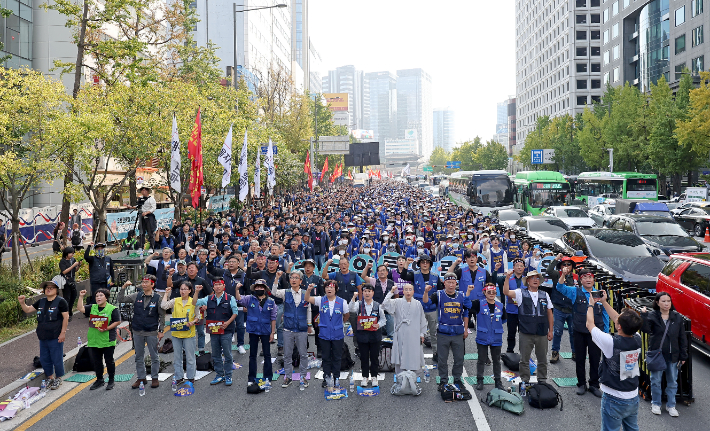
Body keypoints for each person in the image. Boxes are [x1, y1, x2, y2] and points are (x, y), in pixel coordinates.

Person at [588, 291, 643, 431]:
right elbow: (618, 320)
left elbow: (590, 325)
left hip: (614, 397)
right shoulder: (637, 337)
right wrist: (604, 302)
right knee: (632, 428)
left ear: (619, 326)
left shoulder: (610, 343)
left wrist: (590, 305)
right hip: (632, 395)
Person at [555, 267, 608, 397]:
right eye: (585, 277)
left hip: (596, 332)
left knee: (595, 359)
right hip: (579, 331)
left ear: (594, 279)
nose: (588, 280)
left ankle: (594, 384)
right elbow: (560, 288)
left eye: (590, 277)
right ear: (580, 280)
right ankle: (581, 384)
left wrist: (606, 332)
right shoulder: (575, 291)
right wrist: (563, 274)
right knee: (580, 359)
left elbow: (605, 313)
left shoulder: (600, 294)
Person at [640, 292, 688, 417]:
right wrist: (644, 316)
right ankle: (656, 403)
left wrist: (683, 355)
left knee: (672, 381)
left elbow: (682, 337)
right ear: (657, 302)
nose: (666, 304)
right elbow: (645, 329)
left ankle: (671, 405)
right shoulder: (653, 316)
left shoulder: (676, 317)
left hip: (673, 355)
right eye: (663, 301)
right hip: (658, 354)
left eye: (668, 301)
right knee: (655, 380)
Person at [423, 273, 472, 392]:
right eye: (448, 282)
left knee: (459, 359)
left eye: (453, 282)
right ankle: (443, 381)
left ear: (456, 283)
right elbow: (426, 303)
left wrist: (466, 329)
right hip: (443, 333)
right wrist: (425, 292)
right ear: (444, 283)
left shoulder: (461, 295)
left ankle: (457, 379)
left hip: (458, 333)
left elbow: (466, 312)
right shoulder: (438, 294)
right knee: (442, 359)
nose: (451, 285)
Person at [503, 270, 553, 384]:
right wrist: (507, 278)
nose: (535, 280)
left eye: (537, 278)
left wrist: (551, 330)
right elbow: (506, 292)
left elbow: (550, 313)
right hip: (526, 332)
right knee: (524, 360)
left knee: (542, 359)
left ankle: (542, 381)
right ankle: (525, 381)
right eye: (532, 278)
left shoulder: (545, 294)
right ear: (528, 281)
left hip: (542, 332)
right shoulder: (520, 293)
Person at [17, 281, 69, 390]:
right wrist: (22, 302)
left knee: (57, 358)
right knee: (45, 359)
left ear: (56, 290)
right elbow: (28, 309)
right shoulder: (41, 301)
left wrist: (63, 333)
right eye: (47, 288)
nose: (48, 289)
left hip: (56, 336)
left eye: (51, 288)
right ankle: (50, 377)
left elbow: (66, 317)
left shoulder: (61, 302)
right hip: (43, 336)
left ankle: (58, 378)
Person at [117, 275, 165, 389]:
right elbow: (121, 299)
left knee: (154, 356)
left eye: (146, 282)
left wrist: (161, 330)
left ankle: (154, 378)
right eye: (143, 282)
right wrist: (123, 287)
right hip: (137, 330)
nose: (144, 284)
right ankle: (141, 378)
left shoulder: (158, 298)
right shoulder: (136, 295)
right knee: (139, 356)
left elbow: (162, 315)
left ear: (152, 284)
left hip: (151, 330)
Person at [398, 253, 443, 361]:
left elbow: (440, 292)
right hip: (417, 307)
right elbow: (403, 276)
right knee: (415, 332)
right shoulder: (414, 274)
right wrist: (406, 264)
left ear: (430, 264)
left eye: (427, 262)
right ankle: (414, 354)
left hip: (432, 308)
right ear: (419, 264)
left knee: (434, 333)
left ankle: (436, 353)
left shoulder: (435, 276)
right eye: (422, 262)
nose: (425, 264)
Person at [305, 280, 350, 388]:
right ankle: (326, 377)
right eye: (327, 287)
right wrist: (309, 290)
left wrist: (340, 323)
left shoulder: (342, 302)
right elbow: (307, 298)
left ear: (336, 289)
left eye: (332, 287)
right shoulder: (321, 300)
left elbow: (346, 315)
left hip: (337, 334)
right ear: (324, 289)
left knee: (337, 357)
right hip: (324, 334)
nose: (329, 289)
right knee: (325, 357)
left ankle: (336, 377)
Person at [194, 278, 239, 386]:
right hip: (214, 331)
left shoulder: (230, 298)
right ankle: (219, 375)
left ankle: (228, 375)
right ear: (213, 287)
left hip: (226, 330)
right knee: (216, 354)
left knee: (227, 354)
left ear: (224, 287)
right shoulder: (209, 298)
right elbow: (194, 302)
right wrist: (196, 292)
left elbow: (235, 312)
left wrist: (227, 323)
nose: (218, 286)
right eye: (216, 285)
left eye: (220, 284)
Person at [270, 271, 309, 388]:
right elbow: (273, 292)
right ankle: (288, 377)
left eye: (296, 278)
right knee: (287, 354)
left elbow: (309, 309)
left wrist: (310, 324)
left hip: (301, 328)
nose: (293, 280)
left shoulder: (305, 293)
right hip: (288, 328)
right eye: (292, 277)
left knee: (303, 354)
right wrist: (276, 278)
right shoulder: (285, 292)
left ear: (301, 281)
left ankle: (303, 377)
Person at [235, 279, 276, 387]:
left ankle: (268, 377)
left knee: (267, 354)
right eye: (257, 287)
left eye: (261, 287)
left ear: (265, 289)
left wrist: (272, 332)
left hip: (266, 330)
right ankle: (251, 378)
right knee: (252, 355)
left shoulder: (271, 301)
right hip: (253, 330)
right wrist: (237, 289)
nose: (259, 289)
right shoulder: (249, 299)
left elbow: (273, 318)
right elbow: (239, 299)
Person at [77, 287, 120, 390]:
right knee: (96, 361)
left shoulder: (112, 309)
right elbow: (80, 308)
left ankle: (111, 380)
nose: (98, 298)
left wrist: (106, 328)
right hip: (94, 339)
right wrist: (81, 296)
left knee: (109, 361)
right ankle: (99, 380)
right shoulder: (92, 307)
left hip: (107, 339)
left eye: (101, 295)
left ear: (106, 297)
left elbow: (117, 321)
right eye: (97, 296)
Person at [382, 283, 427, 376]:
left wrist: (422, 333)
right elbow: (385, 304)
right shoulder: (397, 301)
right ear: (403, 291)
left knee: (413, 353)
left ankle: (413, 376)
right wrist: (391, 292)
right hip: (401, 332)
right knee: (401, 353)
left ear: (413, 292)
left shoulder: (418, 304)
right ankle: (401, 376)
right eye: (406, 289)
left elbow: (422, 319)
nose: (408, 292)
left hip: (414, 332)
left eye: (410, 289)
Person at [161, 282, 200, 384]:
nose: (182, 291)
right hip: (176, 334)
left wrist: (193, 322)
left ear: (190, 291)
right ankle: (179, 377)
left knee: (190, 357)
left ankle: (191, 377)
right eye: (181, 289)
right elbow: (164, 306)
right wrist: (166, 294)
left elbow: (198, 316)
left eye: (185, 289)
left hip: (189, 334)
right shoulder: (175, 300)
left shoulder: (193, 302)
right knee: (177, 358)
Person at [349, 284, 387, 387]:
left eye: (369, 291)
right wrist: (353, 297)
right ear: (362, 293)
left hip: (375, 335)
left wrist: (378, 325)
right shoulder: (358, 304)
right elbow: (350, 309)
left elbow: (383, 319)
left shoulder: (377, 305)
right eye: (365, 291)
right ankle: (365, 377)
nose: (367, 293)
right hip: (362, 335)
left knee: (374, 357)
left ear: (373, 293)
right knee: (364, 357)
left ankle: (374, 377)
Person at [168, 261, 210, 353]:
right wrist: (170, 275)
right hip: (183, 309)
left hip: (198, 308)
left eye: (193, 268)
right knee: (183, 328)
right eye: (189, 268)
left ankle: (201, 349)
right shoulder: (183, 281)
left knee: (200, 330)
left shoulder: (202, 281)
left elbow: (211, 294)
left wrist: (205, 304)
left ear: (197, 270)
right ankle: (184, 349)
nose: (191, 269)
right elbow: (170, 285)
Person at [472, 282, 506, 391]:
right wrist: (468, 292)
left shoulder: (500, 306)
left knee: (496, 360)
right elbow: (467, 304)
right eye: (489, 292)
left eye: (493, 292)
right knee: (481, 359)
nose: (491, 294)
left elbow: (504, 319)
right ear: (484, 293)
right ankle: (480, 380)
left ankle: (498, 381)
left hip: (496, 338)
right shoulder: (479, 304)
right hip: (482, 337)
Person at [546, 255, 577, 362]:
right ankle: (555, 352)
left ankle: (575, 352)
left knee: (573, 332)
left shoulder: (576, 277)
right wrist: (556, 259)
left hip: (572, 310)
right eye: (564, 264)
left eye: (569, 264)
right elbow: (548, 270)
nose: (566, 266)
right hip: (559, 308)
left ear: (572, 266)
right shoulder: (557, 275)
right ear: (561, 266)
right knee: (558, 331)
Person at [503, 258, 525, 353]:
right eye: (517, 266)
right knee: (511, 332)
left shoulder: (527, 280)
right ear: (513, 267)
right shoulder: (508, 278)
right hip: (511, 310)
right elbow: (505, 292)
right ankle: (509, 350)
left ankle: (523, 351)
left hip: (524, 311)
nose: (519, 268)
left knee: (524, 333)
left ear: (524, 268)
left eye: (521, 266)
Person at [127, 186, 157, 251]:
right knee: (141, 232)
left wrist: (147, 213)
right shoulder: (140, 198)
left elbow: (153, 208)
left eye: (145, 190)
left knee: (150, 233)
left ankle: (151, 247)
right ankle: (141, 247)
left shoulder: (151, 199)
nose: (143, 192)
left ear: (148, 191)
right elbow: (138, 206)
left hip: (149, 217)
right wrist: (131, 207)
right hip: (141, 216)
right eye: (142, 190)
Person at [59, 247, 81, 321]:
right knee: (67, 298)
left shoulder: (73, 260)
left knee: (73, 296)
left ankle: (70, 311)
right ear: (66, 253)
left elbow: (75, 270)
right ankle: (66, 314)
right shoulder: (62, 261)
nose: (72, 254)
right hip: (65, 282)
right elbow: (64, 272)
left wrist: (78, 265)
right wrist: (73, 266)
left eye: (73, 253)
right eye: (71, 253)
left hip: (72, 281)